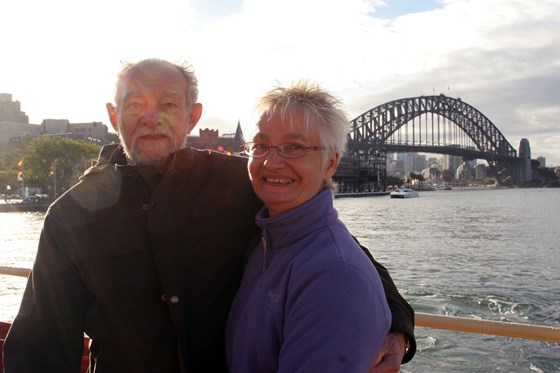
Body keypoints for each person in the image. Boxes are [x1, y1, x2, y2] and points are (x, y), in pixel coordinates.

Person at [3, 58, 415, 372]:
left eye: (168, 104)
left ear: (192, 116)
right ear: (114, 117)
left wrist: (398, 327)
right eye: (135, 106)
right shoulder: (70, 217)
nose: (151, 118)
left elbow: (336, 252)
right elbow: (41, 344)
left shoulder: (243, 182)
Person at [226, 81, 392, 372]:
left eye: (295, 147)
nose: (271, 162)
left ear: (330, 163)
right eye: (261, 145)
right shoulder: (265, 242)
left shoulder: (336, 276)